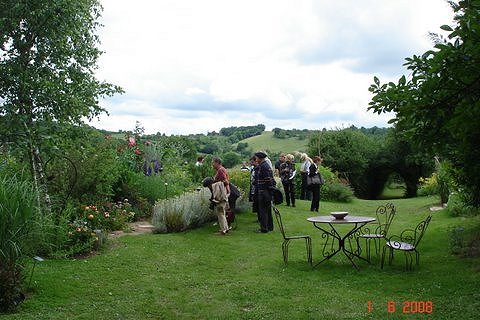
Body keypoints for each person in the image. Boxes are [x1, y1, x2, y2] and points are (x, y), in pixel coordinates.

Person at [253, 151, 275, 233]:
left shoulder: (263, 166)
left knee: (263, 211)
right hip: (265, 192)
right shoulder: (263, 165)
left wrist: (267, 191)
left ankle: (264, 228)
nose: (256, 159)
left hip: (263, 192)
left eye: (256, 158)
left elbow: (268, 180)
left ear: (259, 158)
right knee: (267, 211)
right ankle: (270, 227)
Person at [211, 157, 230, 234]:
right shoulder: (222, 169)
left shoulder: (220, 170)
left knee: (220, 211)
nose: (212, 164)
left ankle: (223, 230)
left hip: (222, 193)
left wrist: (215, 183)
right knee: (222, 211)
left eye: (213, 163)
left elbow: (225, 182)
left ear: (217, 163)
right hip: (224, 192)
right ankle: (226, 228)